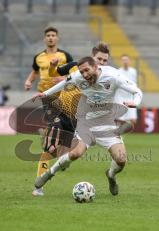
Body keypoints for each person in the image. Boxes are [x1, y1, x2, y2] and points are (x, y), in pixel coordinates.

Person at [33, 56, 142, 196]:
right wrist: (45, 93)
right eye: (81, 72)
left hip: (106, 124)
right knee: (75, 153)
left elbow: (137, 91)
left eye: (86, 71)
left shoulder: (113, 76)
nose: (84, 75)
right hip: (87, 123)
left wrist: (136, 102)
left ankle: (111, 175)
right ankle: (49, 174)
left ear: (96, 67)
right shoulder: (78, 76)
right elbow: (63, 84)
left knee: (121, 160)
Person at [32, 42, 111, 196]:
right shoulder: (75, 66)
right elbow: (55, 73)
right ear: (91, 58)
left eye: (105, 60)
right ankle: (38, 186)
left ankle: (53, 145)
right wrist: (54, 68)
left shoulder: (107, 79)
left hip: (77, 120)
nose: (101, 63)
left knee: (64, 157)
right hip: (58, 110)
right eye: (99, 59)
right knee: (50, 148)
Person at [24, 26, 73, 196]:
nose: (51, 38)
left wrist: (63, 78)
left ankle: (57, 148)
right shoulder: (39, 57)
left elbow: (74, 74)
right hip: (49, 100)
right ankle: (39, 186)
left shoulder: (64, 56)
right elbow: (35, 71)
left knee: (65, 151)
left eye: (53, 35)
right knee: (49, 147)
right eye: (48, 35)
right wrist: (29, 81)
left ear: (57, 38)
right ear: (45, 39)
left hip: (66, 99)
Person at [115, 54, 138, 126]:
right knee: (120, 120)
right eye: (123, 60)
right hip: (121, 97)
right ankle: (117, 135)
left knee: (133, 121)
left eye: (126, 60)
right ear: (121, 61)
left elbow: (134, 84)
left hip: (130, 97)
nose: (125, 62)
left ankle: (121, 132)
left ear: (129, 61)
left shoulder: (133, 71)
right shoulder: (118, 71)